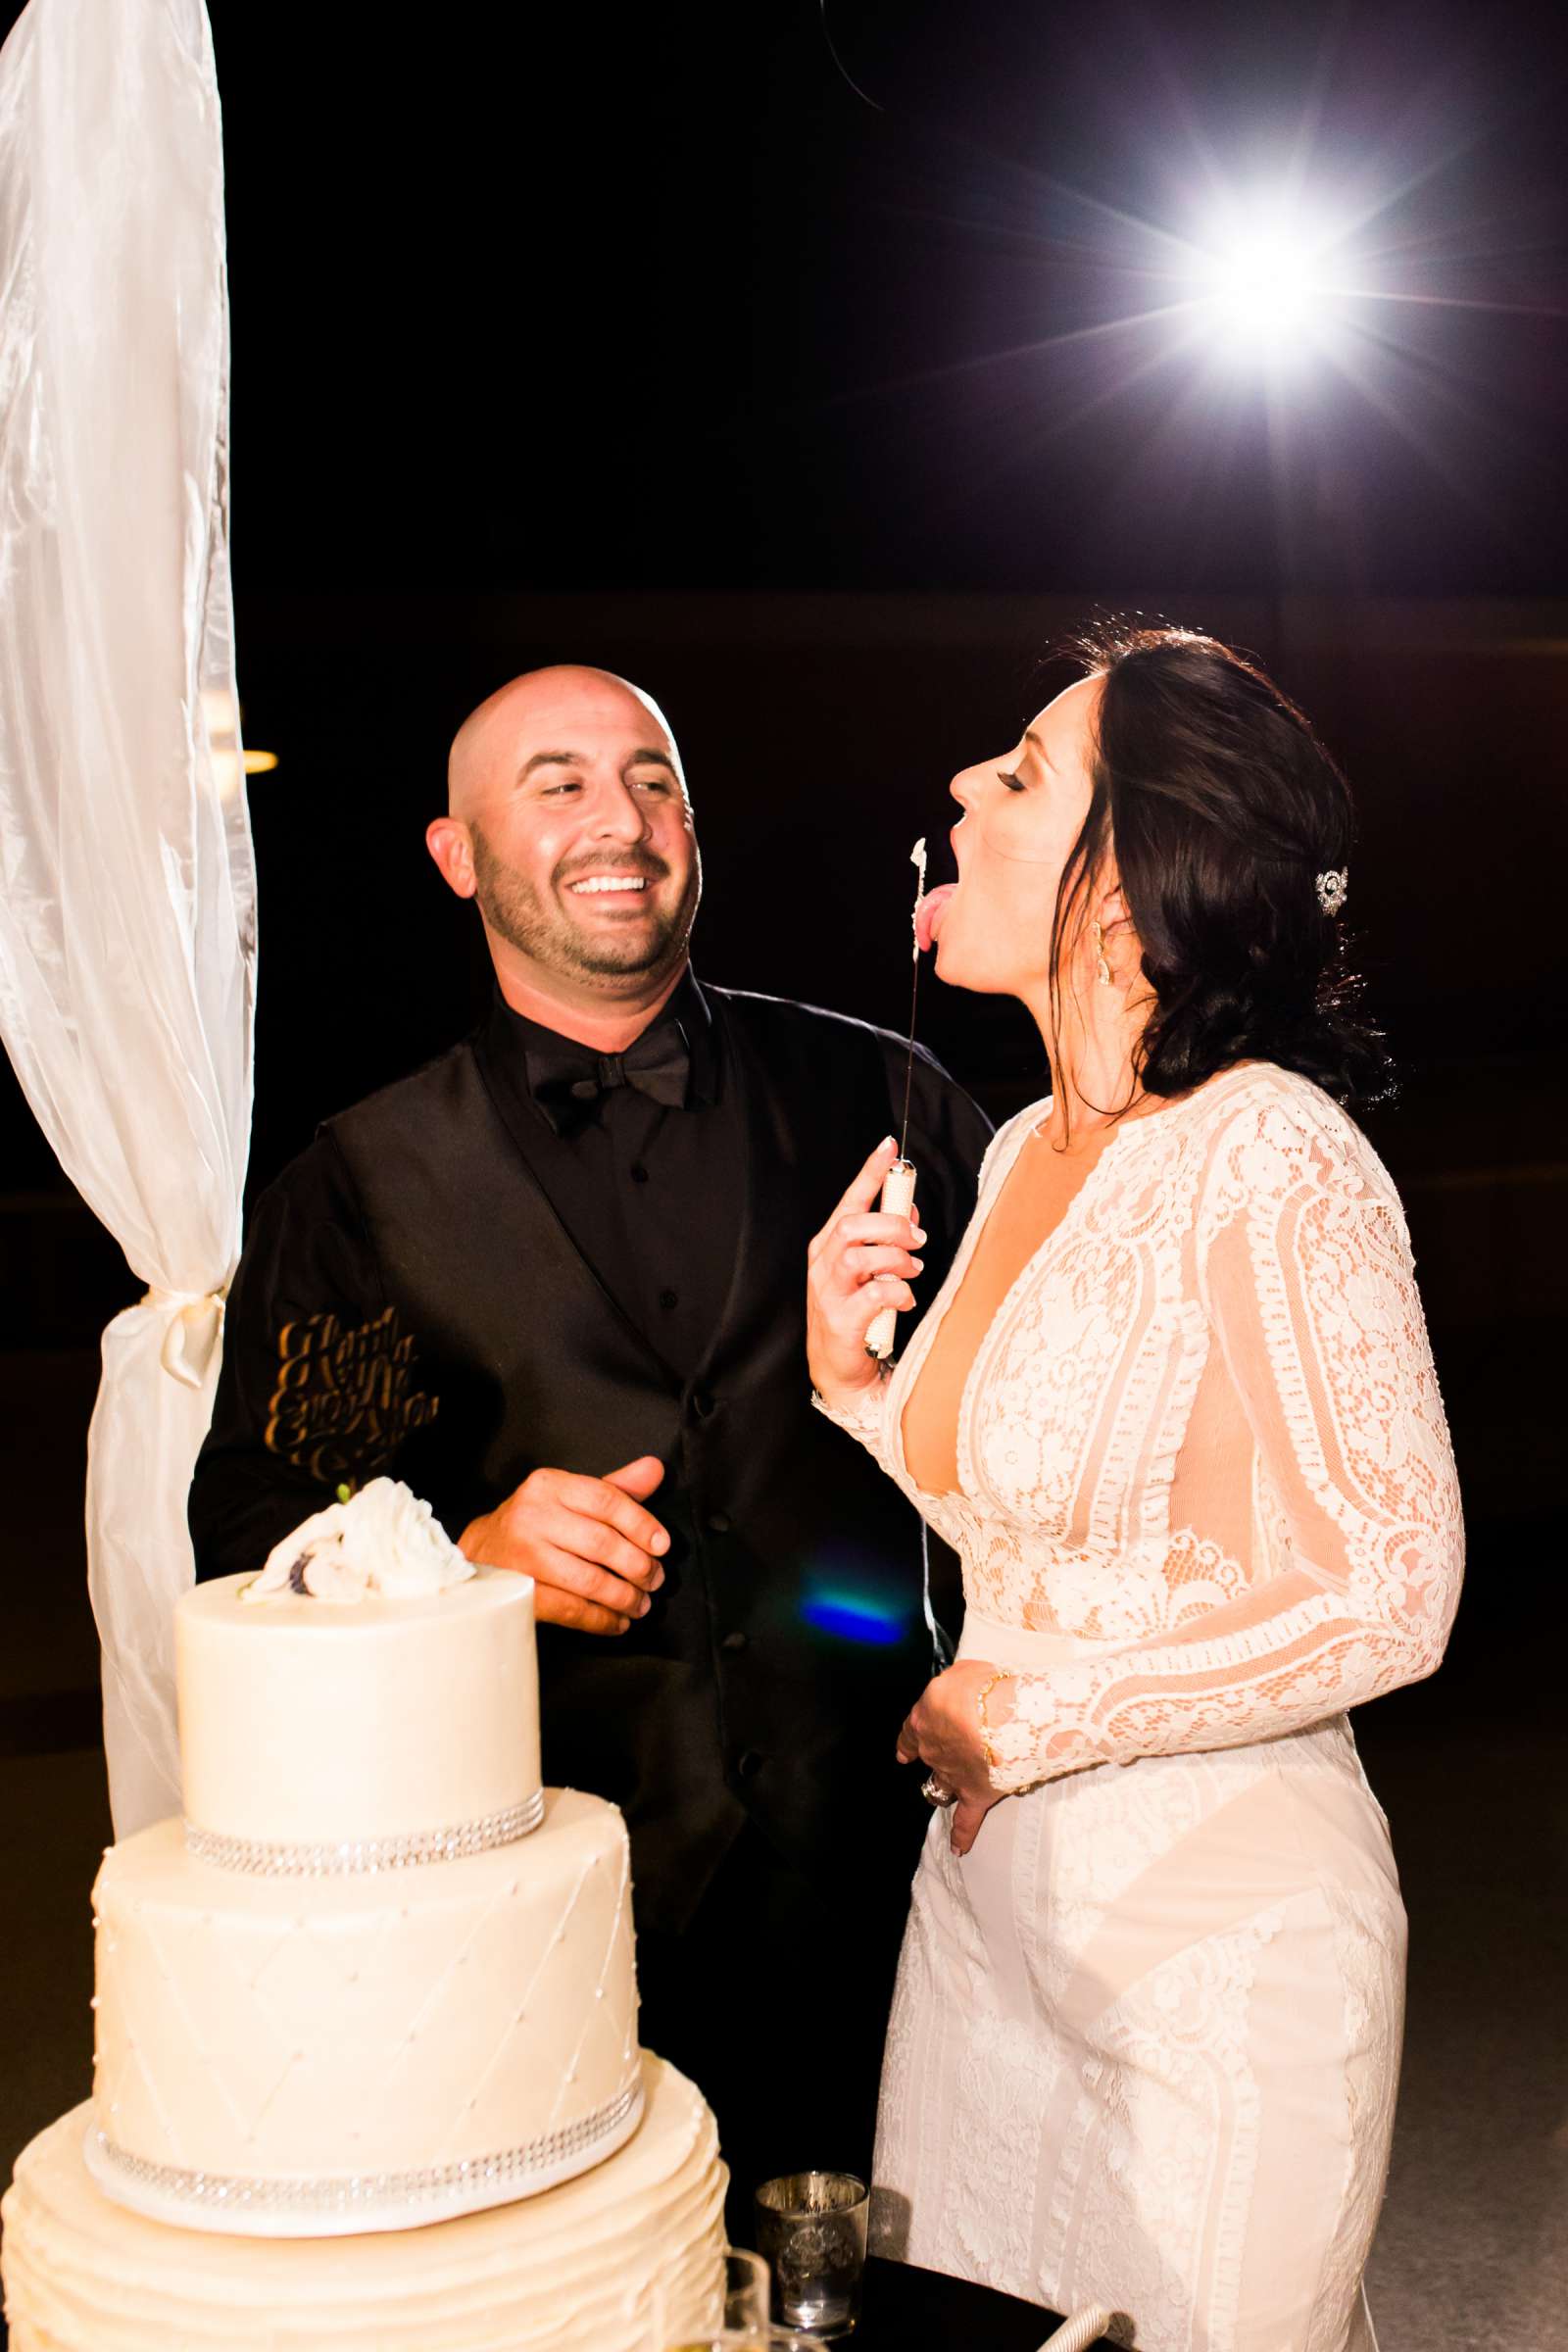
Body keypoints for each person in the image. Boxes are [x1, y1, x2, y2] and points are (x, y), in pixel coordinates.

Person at [188, 663, 990, 2226]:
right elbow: (255, 1523)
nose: (617, 818)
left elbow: (1051, 1415)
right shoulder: (361, 1185)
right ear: (457, 855)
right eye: (555, 784)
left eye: (650, 779)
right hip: (550, 1915)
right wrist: (467, 1558)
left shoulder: (882, 1093)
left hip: (894, 1888)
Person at [807, 625, 1463, 2352]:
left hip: (1219, 1960)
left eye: (1021, 773)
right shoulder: (1024, 1149)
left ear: (1128, 882)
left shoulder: (1274, 1155)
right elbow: (1039, 1520)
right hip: (978, 1947)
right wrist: (851, 1389)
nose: (961, 787)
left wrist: (1038, 1720)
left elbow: (1397, 1586)